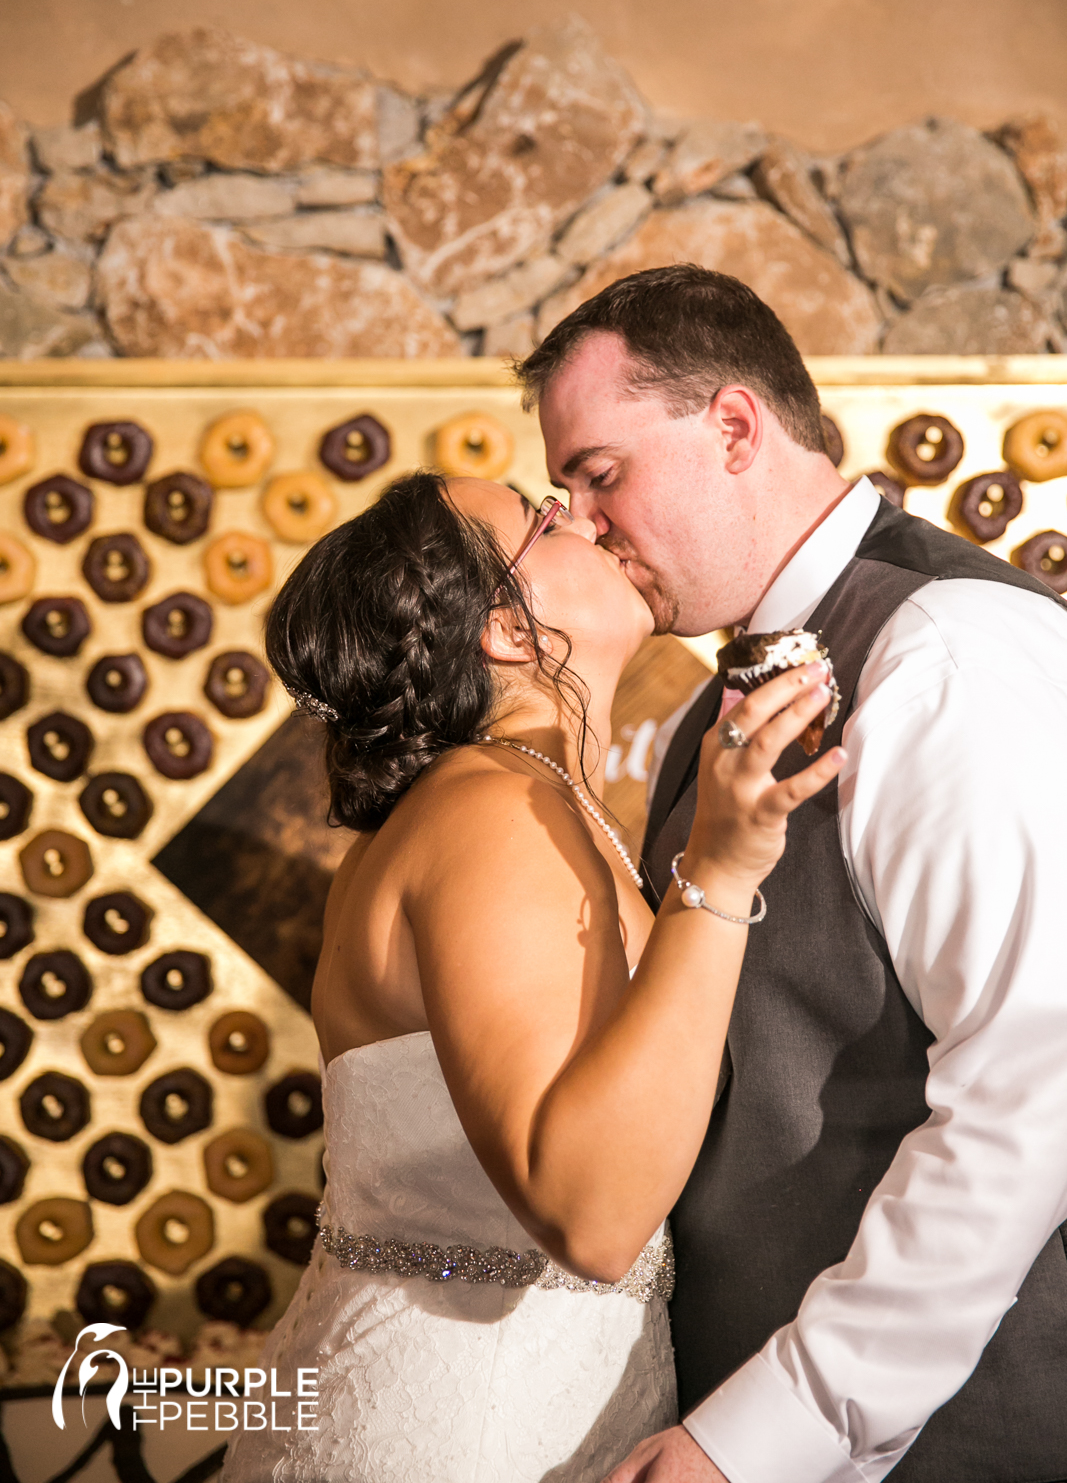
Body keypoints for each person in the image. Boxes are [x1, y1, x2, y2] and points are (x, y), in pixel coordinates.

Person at [522, 262, 1067, 1483]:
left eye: (599, 474)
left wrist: (767, 1433)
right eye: (561, 491)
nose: (582, 521)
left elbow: (1030, 1086)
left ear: (731, 426)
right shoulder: (710, 704)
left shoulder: (946, 652)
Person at [220, 467, 841, 1483]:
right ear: (506, 631)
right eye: (548, 521)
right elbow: (591, 1214)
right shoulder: (489, 811)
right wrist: (721, 877)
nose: (591, 518)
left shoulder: (513, 799)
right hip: (468, 1432)